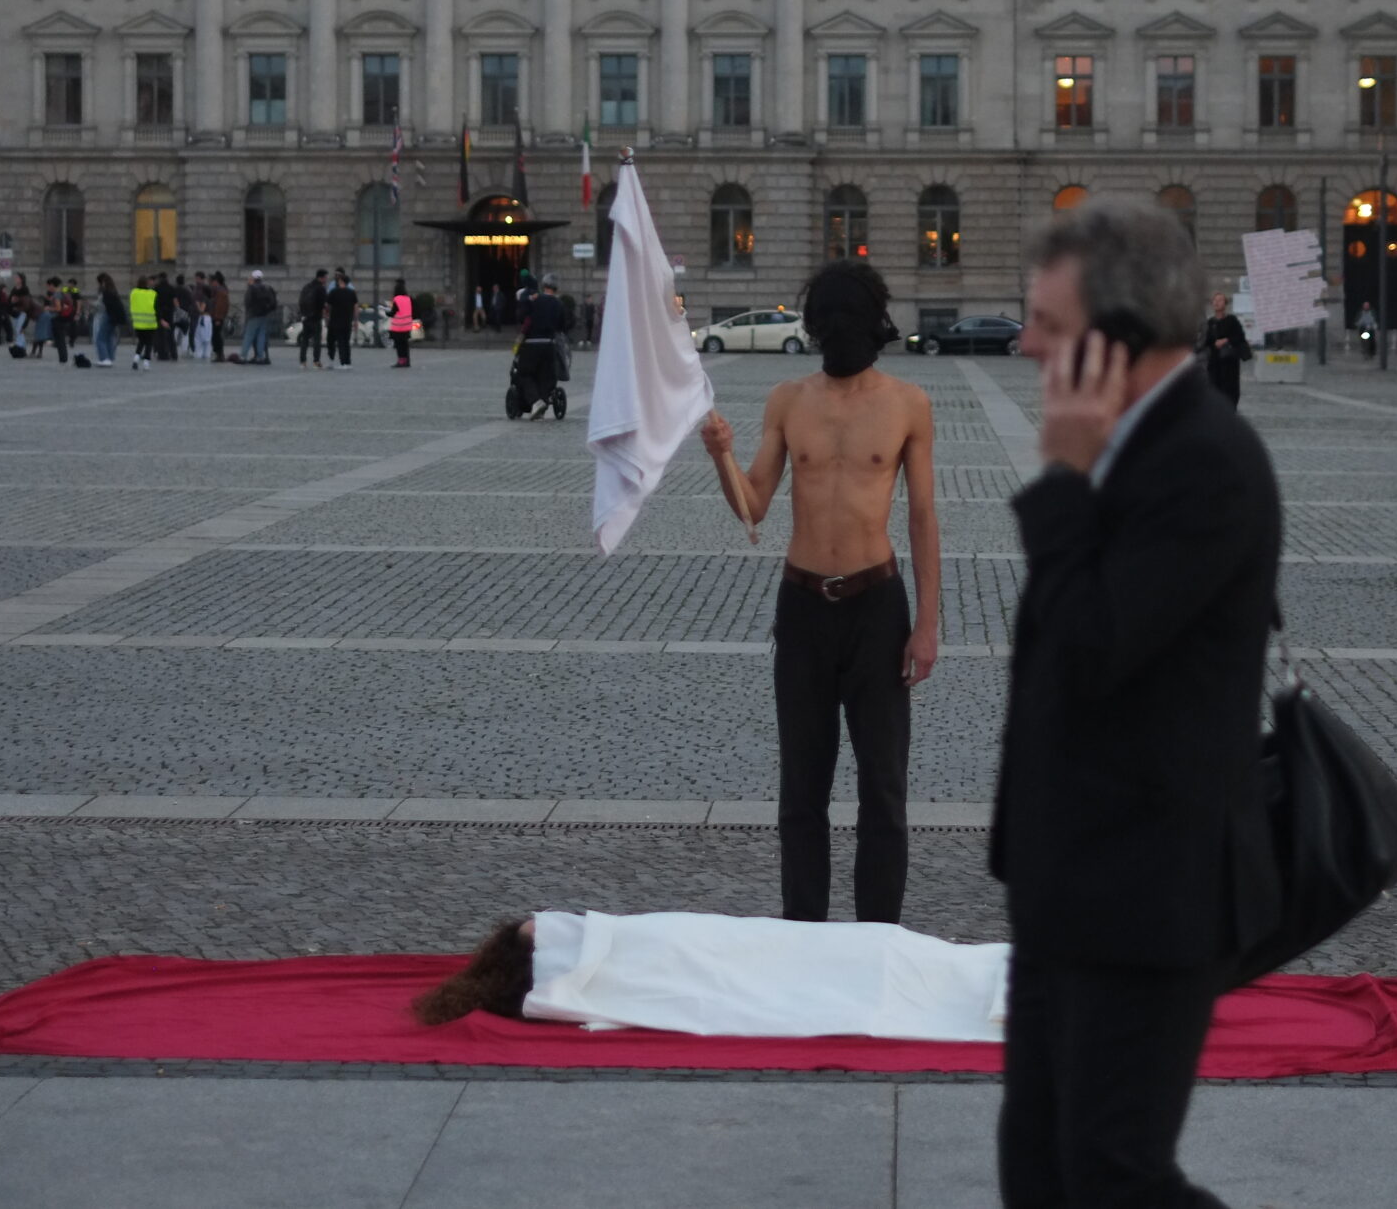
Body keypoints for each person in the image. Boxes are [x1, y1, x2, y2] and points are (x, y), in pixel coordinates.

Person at [998, 197, 1283, 1209]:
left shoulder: (1204, 462)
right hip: (1069, 879)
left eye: (1048, 323)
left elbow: (1093, 646)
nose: (1026, 344)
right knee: (1040, 1169)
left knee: (1115, 1176)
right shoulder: (1132, 443)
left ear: (1116, 335)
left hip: (1150, 888)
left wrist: (1059, 484)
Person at [700, 260, 940, 926]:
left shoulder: (907, 404)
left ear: (871, 323)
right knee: (801, 792)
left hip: (877, 608)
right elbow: (752, 504)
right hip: (803, 608)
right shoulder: (789, 400)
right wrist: (719, 454)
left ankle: (877, 938)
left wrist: (927, 624)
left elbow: (923, 516)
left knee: (883, 789)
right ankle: (803, 935)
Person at [415, 913, 1007, 1044]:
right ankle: (1001, 986)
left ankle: (1000, 979)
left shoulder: (593, 938)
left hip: (734, 943)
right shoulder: (588, 965)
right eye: (539, 929)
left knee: (875, 948)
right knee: (872, 962)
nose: (547, 918)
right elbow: (705, 980)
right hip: (703, 955)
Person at [1196, 291, 1251, 408]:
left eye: (1220, 300)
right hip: (1214, 363)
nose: (1216, 303)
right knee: (1214, 389)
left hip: (1229, 362)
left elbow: (1239, 337)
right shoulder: (1209, 322)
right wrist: (1213, 343)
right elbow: (1205, 341)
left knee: (1230, 391)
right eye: (1214, 300)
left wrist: (1226, 340)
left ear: (1225, 304)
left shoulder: (1232, 320)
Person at [241, 269, 278, 363]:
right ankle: (260, 357)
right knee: (261, 336)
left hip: (253, 315)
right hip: (264, 314)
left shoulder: (252, 288)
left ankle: (243, 356)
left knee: (249, 335)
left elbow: (247, 302)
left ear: (253, 278)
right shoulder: (267, 287)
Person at [324, 269, 359, 369]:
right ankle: (347, 362)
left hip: (335, 321)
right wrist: (355, 320)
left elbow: (327, 306)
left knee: (332, 341)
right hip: (347, 321)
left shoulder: (334, 292)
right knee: (345, 342)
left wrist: (326, 317)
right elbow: (356, 307)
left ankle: (334, 361)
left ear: (341, 281)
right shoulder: (352, 293)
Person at [296, 269, 328, 369]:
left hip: (306, 317)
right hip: (316, 317)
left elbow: (301, 301)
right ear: (321, 278)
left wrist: (303, 314)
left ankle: (303, 362)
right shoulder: (320, 288)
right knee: (317, 340)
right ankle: (316, 361)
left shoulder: (307, 287)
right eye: (325, 278)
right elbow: (324, 303)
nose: (326, 280)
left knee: (305, 340)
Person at [127, 276, 160, 370]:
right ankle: (146, 362)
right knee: (149, 343)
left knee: (141, 341)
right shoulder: (153, 294)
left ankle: (136, 358)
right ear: (147, 283)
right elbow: (157, 308)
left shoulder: (133, 293)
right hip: (150, 322)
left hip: (138, 323)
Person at [93, 273, 121, 367]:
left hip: (105, 316)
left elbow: (102, 305)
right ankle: (110, 357)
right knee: (109, 338)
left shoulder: (106, 292)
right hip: (113, 317)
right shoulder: (113, 291)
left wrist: (92, 304)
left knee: (100, 338)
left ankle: (104, 358)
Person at [387, 276, 415, 369]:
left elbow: (393, 312)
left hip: (398, 326)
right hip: (407, 325)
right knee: (405, 344)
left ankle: (401, 361)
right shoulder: (408, 298)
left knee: (399, 345)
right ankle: (407, 361)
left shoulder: (397, 299)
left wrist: (387, 313)